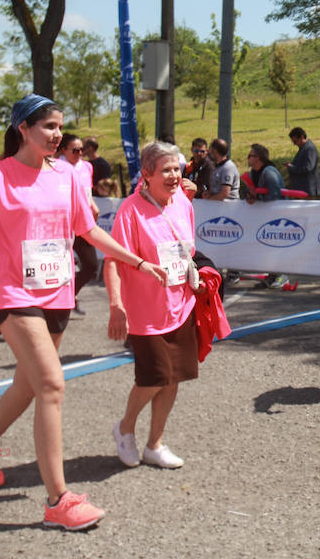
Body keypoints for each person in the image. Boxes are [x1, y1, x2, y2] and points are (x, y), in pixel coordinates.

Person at [0, 94, 166, 530]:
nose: (56, 134)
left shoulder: (68, 176)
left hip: (57, 293)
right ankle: (59, 501)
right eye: (48, 126)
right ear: (23, 129)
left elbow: (86, 229)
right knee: (51, 384)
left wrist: (138, 261)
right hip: (12, 294)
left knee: (29, 386)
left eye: (59, 127)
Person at [106, 141, 201, 471]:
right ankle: (125, 428)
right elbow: (114, 261)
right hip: (145, 313)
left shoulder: (182, 204)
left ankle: (155, 444)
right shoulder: (130, 210)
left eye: (177, 168)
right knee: (153, 377)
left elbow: (188, 249)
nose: (175, 175)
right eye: (167, 170)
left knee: (173, 378)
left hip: (182, 305)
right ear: (147, 174)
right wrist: (116, 305)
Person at [57, 134, 99, 317]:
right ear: (63, 151)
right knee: (60, 266)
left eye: (82, 149)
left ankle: (70, 295)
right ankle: (57, 303)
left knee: (90, 265)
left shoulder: (87, 167)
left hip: (82, 223)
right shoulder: (56, 167)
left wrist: (93, 206)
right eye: (75, 150)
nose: (80, 153)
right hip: (62, 224)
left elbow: (87, 193)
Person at [245, 143, 288, 289]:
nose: (248, 158)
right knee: (267, 246)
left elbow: (275, 195)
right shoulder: (253, 172)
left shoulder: (269, 172)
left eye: (251, 155)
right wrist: (250, 197)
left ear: (259, 158)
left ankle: (282, 275)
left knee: (277, 246)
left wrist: (258, 198)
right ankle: (272, 274)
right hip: (266, 217)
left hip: (278, 216)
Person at [287, 127, 320, 196]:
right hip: (303, 190)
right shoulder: (304, 148)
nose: (294, 144)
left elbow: (308, 167)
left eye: (295, 141)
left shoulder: (309, 148)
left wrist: (291, 167)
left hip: (308, 190)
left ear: (302, 137)